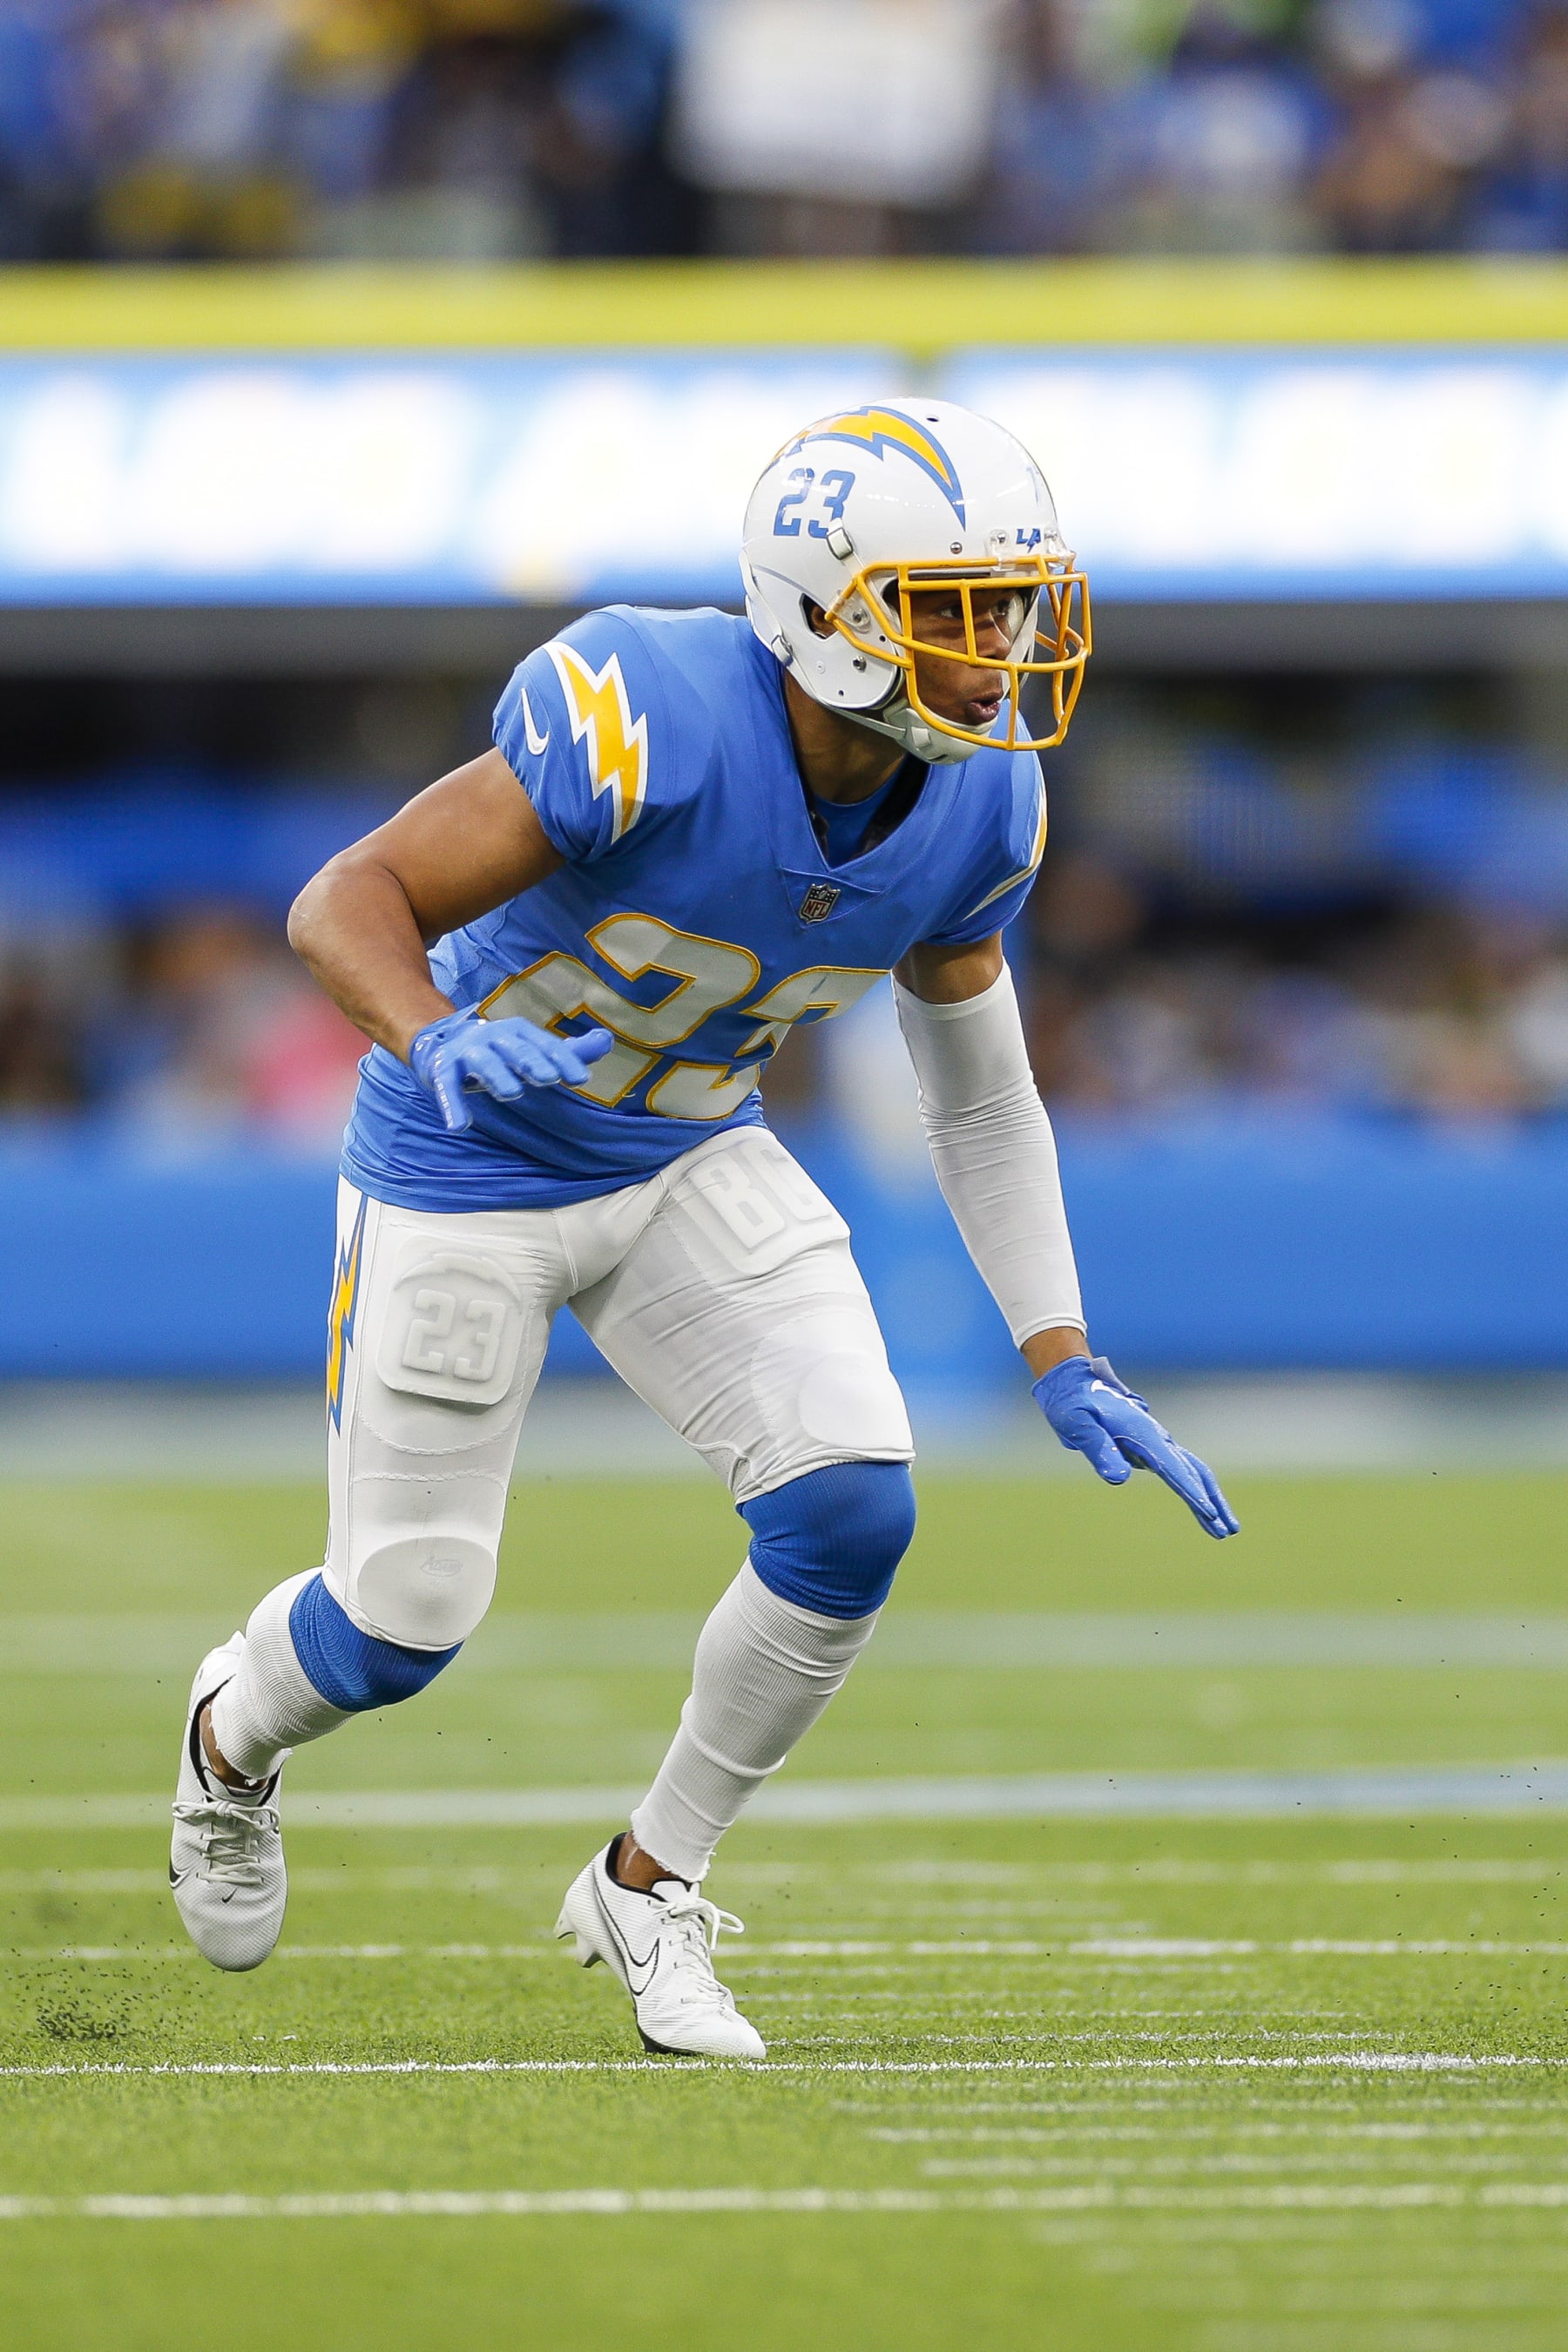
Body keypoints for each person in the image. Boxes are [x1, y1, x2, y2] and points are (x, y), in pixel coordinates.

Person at [168, 399, 1238, 2058]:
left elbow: (976, 1098)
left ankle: (648, 1880)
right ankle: (233, 1736)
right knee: (401, 1626)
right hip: (469, 1160)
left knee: (853, 1513)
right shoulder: (651, 713)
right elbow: (345, 901)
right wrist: (433, 1035)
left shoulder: (983, 810)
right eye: (957, 607)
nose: (1004, 649)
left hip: (684, 1153)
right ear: (825, 614)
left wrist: (1063, 1347)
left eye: (1013, 604)